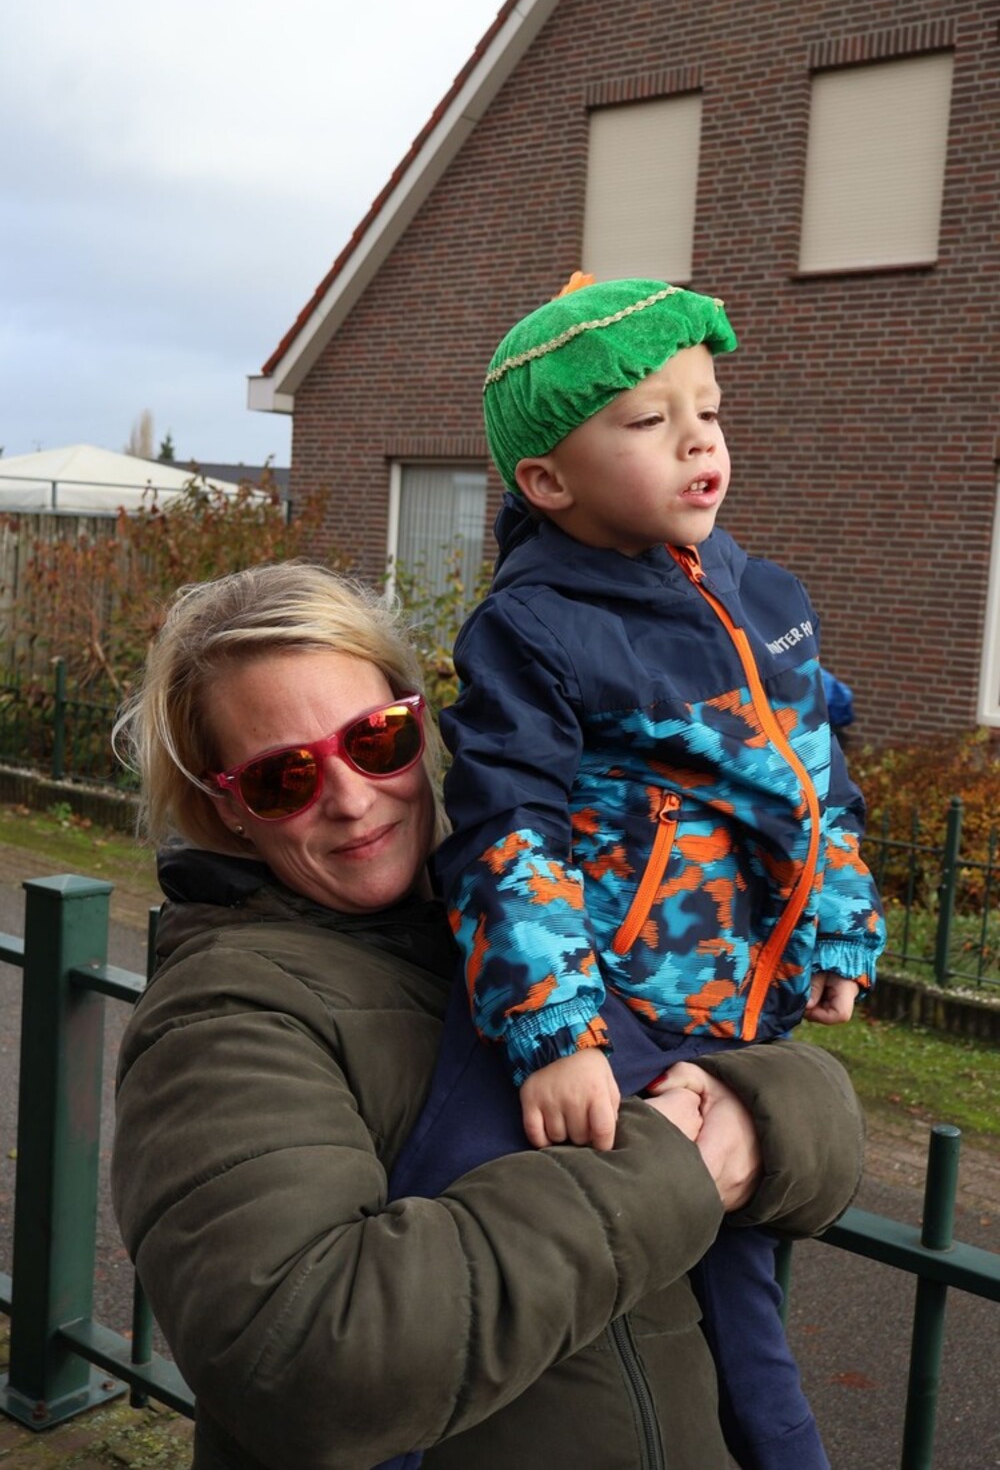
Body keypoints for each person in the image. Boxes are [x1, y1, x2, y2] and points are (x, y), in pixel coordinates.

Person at [110, 559, 866, 1470]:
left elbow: (800, 1114)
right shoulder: (223, 1013)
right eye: (283, 780)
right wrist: (683, 1166)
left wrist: (761, 1109)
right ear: (228, 809)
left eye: (376, 740)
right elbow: (305, 1364)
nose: (349, 798)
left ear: (421, 724)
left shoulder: (548, 910)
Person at [434, 275, 887, 1470]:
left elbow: (813, 778)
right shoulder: (535, 627)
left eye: (709, 410)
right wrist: (556, 1030)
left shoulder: (763, 596)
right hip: (611, 998)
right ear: (548, 481)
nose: (698, 440)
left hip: (736, 998)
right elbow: (505, 829)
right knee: (456, 1204)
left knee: (746, 1309)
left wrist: (839, 922)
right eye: (647, 420)